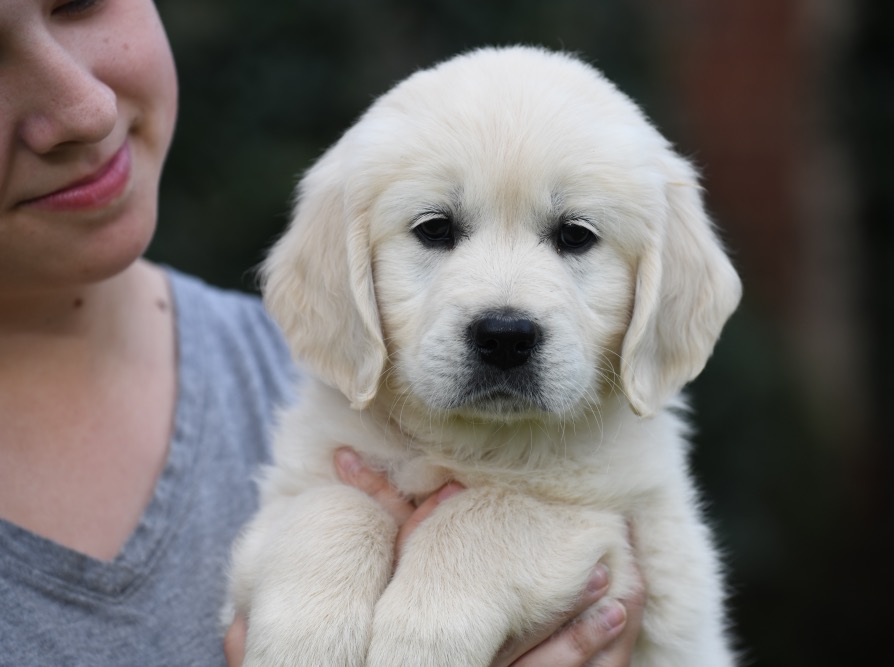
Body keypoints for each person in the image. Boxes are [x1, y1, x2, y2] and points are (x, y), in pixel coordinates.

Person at [0, 1, 644, 665]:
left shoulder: (271, 362)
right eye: (435, 230)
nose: (85, 109)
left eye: (76, 1)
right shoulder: (316, 379)